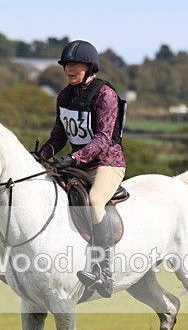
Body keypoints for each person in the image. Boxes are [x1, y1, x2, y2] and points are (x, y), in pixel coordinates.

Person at [39, 39, 126, 298]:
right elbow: (58, 137)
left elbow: (102, 139)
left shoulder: (105, 94)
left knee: (96, 201)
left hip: (106, 163)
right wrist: (40, 154)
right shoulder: (64, 95)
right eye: (67, 65)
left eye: (76, 64)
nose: (69, 69)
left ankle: (104, 271)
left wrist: (74, 159)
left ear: (89, 68)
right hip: (77, 164)